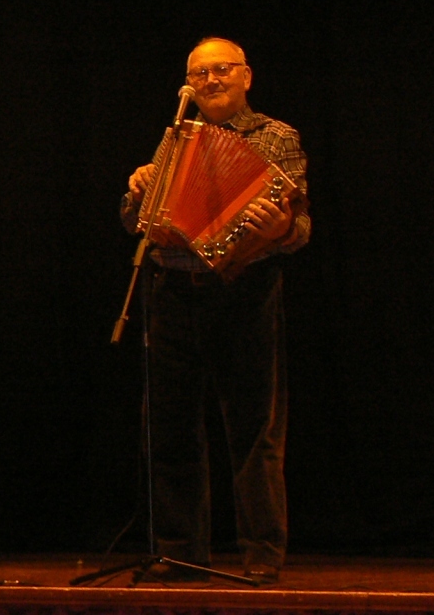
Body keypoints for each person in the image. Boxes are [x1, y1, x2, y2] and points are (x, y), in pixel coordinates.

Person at [120, 37, 310, 583]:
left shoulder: (276, 137)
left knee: (254, 430)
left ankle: (262, 556)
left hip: (243, 291)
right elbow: (136, 223)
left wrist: (281, 228)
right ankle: (180, 552)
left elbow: (300, 227)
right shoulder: (176, 135)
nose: (210, 80)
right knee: (171, 428)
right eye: (199, 74)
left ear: (246, 76)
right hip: (172, 291)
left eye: (222, 69)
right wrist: (137, 193)